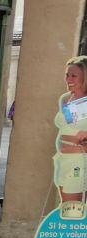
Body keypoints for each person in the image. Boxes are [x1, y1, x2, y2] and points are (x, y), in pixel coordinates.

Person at [53, 56, 87, 204]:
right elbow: (68, 125)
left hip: (77, 162)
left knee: (72, 209)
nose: (68, 79)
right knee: (65, 206)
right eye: (67, 75)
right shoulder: (66, 98)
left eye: (74, 75)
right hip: (62, 159)